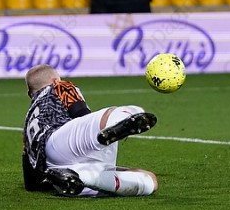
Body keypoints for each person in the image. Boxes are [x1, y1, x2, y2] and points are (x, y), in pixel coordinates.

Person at [22, 64, 158, 197]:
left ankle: (78, 178)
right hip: (63, 141)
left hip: (55, 165)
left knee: (150, 180)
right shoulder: (59, 86)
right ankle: (115, 126)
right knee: (133, 111)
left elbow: (31, 183)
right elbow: (81, 113)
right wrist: (96, 136)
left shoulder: (29, 120)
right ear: (55, 80)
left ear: (30, 94)